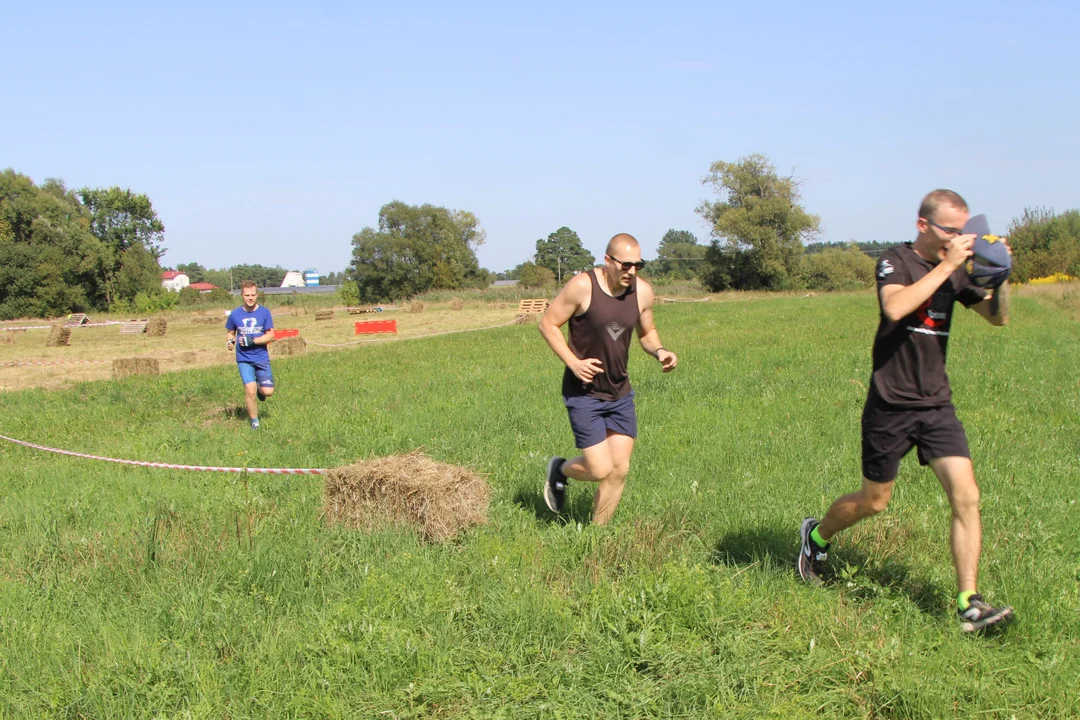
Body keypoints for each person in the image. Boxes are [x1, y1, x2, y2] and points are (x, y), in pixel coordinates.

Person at [798, 189, 1013, 632]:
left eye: (965, 231)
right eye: (952, 231)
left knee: (967, 496)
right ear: (923, 226)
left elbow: (998, 318)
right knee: (874, 502)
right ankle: (816, 536)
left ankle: (969, 600)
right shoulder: (895, 260)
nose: (961, 239)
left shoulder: (953, 271)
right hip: (890, 404)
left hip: (936, 404)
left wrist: (1001, 274)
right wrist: (951, 265)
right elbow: (894, 306)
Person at [539, 233, 678, 525]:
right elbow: (548, 323)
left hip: (620, 393)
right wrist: (573, 362)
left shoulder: (642, 292)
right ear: (607, 261)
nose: (632, 271)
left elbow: (648, 332)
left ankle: (597, 535)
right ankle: (560, 469)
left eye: (638, 265)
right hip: (584, 393)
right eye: (626, 265)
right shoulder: (582, 286)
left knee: (620, 470)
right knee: (600, 468)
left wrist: (660, 351)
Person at [225, 281, 277, 430]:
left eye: (253, 295)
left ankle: (262, 389)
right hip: (244, 359)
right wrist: (230, 341)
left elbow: (272, 336)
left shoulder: (264, 312)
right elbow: (230, 332)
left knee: (268, 392)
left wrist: (253, 341)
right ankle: (255, 422)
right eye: (247, 295)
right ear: (242, 296)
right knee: (250, 390)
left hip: (261, 358)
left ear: (257, 295)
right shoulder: (235, 314)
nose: (250, 298)